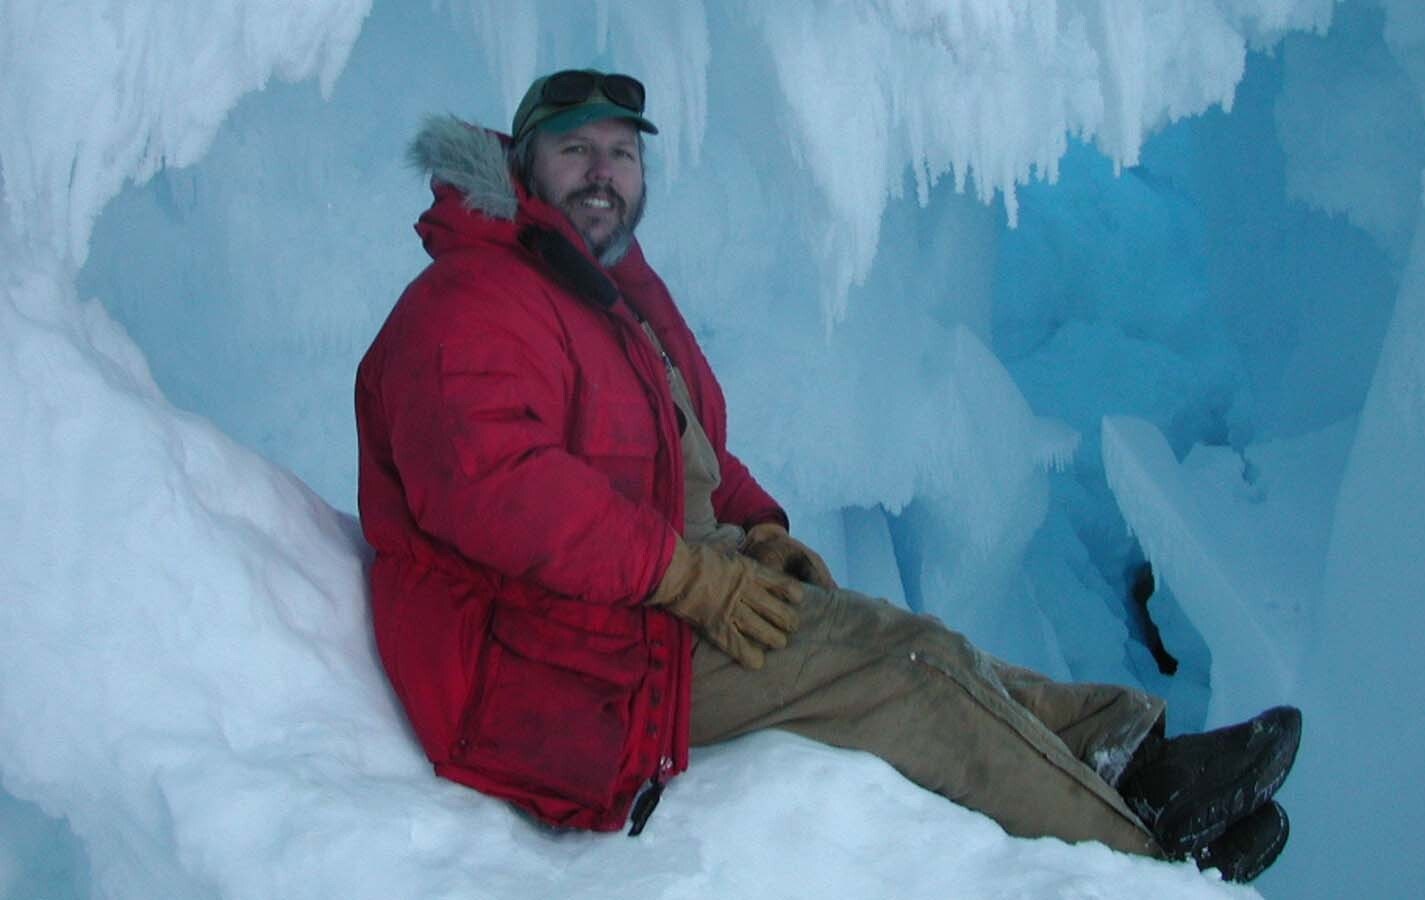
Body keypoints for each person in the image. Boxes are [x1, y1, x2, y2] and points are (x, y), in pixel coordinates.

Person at [354, 68, 1301, 883]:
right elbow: (495, 489)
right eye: (576, 151)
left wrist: (757, 528)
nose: (603, 173)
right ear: (523, 165)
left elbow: (692, 457)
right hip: (546, 666)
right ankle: (1142, 854)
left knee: (918, 638)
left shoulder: (603, 299)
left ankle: (1137, 753)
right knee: (907, 676)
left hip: (626, 607)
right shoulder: (474, 299)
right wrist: (691, 577)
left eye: (622, 154)